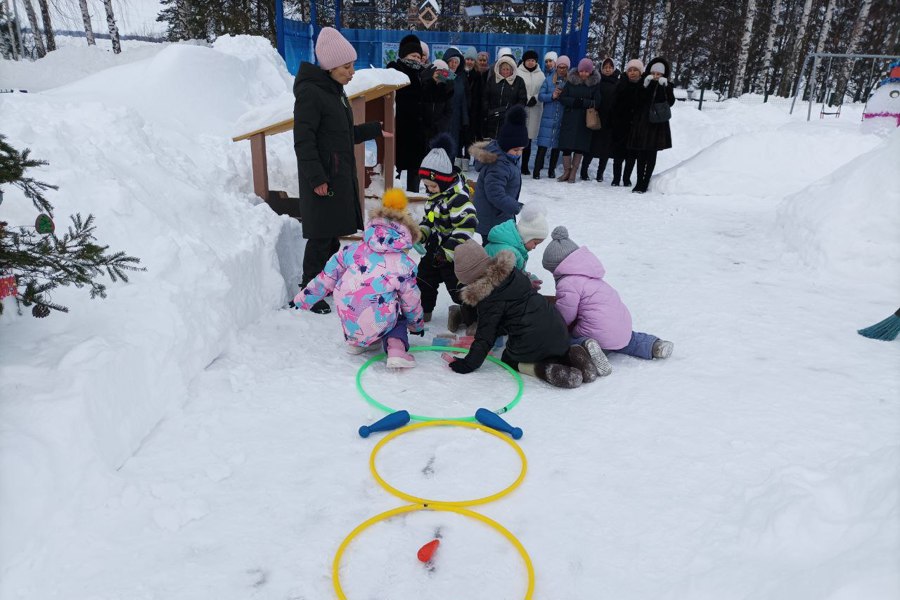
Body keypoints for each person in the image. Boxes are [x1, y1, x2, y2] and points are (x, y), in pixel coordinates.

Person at [293, 26, 383, 314]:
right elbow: (303, 140)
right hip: (322, 177)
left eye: (352, 65)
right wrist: (316, 178)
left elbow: (341, 133)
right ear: (331, 65)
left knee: (332, 234)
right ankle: (309, 288)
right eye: (347, 66)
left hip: (337, 174)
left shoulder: (335, 92)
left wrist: (373, 130)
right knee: (320, 236)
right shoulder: (311, 93)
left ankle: (327, 282)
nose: (352, 71)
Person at [291, 189, 426, 368]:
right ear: (405, 236)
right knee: (396, 312)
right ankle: (396, 351)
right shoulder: (403, 263)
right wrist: (416, 325)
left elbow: (326, 277)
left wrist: (302, 299)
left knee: (359, 297)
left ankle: (357, 342)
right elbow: (412, 300)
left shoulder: (352, 250)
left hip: (350, 318)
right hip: (377, 318)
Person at [445, 240, 601, 388]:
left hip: (532, 340)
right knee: (552, 348)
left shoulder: (490, 298)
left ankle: (547, 371)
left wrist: (468, 364)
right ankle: (576, 356)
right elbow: (512, 313)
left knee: (508, 358)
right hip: (558, 329)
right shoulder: (513, 274)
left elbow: (485, 337)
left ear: (470, 278)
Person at [542, 226, 674, 366]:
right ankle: (654, 346)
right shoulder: (593, 277)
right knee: (629, 340)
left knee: (566, 340)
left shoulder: (568, 283)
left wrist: (553, 325)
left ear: (557, 267)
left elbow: (565, 315)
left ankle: (587, 346)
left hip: (596, 335)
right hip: (622, 329)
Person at [415, 134, 478, 332]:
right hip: (435, 247)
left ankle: (473, 319)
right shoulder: (434, 197)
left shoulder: (458, 199)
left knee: (458, 288)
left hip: (455, 252)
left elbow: (466, 227)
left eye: (432, 185)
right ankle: (423, 312)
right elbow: (429, 222)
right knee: (424, 279)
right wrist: (420, 233)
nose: (429, 189)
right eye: (426, 185)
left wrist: (448, 252)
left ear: (444, 181)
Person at [469, 105, 528, 242]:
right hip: (491, 221)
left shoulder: (509, 158)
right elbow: (495, 194)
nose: (518, 153)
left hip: (499, 216)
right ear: (505, 146)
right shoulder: (498, 165)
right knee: (492, 251)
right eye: (515, 150)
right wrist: (518, 207)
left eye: (521, 150)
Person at [387, 34, 433, 193]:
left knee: (415, 169)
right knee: (396, 168)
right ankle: (394, 198)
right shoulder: (395, 68)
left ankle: (413, 198)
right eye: (413, 56)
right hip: (399, 127)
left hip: (418, 129)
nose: (417, 60)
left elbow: (432, 96)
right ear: (404, 55)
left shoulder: (423, 73)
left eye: (419, 57)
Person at [627, 57, 676, 193]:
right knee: (641, 154)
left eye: (658, 74)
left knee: (651, 154)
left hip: (657, 124)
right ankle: (639, 182)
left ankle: (646, 180)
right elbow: (636, 101)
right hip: (643, 123)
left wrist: (664, 88)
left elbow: (670, 103)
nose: (655, 76)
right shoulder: (643, 83)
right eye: (653, 73)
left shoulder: (667, 85)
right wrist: (645, 86)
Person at [556, 58, 602, 183]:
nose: (584, 74)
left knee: (579, 147)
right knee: (566, 146)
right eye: (582, 71)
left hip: (584, 119)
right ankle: (566, 171)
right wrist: (574, 102)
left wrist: (583, 103)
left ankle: (573, 172)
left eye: (587, 72)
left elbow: (597, 102)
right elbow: (563, 98)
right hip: (570, 118)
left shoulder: (594, 84)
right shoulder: (571, 81)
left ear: (590, 72)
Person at [484, 202, 548, 287]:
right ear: (527, 236)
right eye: (535, 243)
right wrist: (527, 284)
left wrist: (528, 278)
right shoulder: (508, 253)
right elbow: (508, 284)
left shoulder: (513, 246)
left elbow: (516, 274)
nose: (535, 247)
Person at [581, 57, 619, 181]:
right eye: (605, 67)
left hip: (611, 120)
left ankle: (600, 174)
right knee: (591, 147)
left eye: (610, 67)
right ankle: (583, 171)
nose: (607, 70)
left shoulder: (618, 83)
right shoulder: (597, 81)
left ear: (614, 69)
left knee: (606, 149)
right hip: (596, 117)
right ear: (601, 69)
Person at [533, 55, 570, 179]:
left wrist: (563, 96)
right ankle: (536, 171)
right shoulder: (548, 80)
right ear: (556, 66)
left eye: (564, 67)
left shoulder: (570, 82)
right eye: (560, 67)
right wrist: (552, 96)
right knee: (543, 145)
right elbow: (541, 96)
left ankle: (551, 171)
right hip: (547, 117)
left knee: (556, 146)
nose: (562, 70)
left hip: (561, 117)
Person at [610, 59, 644, 187]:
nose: (632, 73)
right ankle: (616, 178)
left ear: (640, 72)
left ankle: (626, 178)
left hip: (636, 126)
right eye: (630, 70)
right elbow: (613, 104)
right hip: (620, 125)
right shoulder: (620, 84)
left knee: (632, 154)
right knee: (618, 154)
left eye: (635, 70)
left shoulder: (644, 86)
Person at [482, 54, 527, 140]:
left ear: (512, 70)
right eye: (503, 69)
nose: (505, 72)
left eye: (508, 70)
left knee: (507, 142)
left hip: (509, 119)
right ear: (499, 69)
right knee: (492, 144)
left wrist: (513, 113)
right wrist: (488, 111)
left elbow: (522, 100)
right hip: (492, 118)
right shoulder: (492, 79)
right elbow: (485, 97)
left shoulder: (519, 81)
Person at [516, 50, 546, 175]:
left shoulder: (541, 75)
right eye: (528, 60)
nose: (530, 62)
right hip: (521, 107)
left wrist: (536, 97)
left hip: (535, 108)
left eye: (533, 60)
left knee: (529, 139)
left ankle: (525, 166)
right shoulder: (518, 72)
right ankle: (515, 164)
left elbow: (544, 89)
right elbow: (517, 88)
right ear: (524, 61)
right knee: (518, 138)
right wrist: (528, 98)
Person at [441, 48, 470, 171]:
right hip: (443, 118)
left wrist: (465, 120)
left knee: (454, 146)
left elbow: (463, 99)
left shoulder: (460, 78)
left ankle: (449, 170)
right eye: (451, 61)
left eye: (456, 62)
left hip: (456, 119)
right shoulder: (441, 76)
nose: (453, 64)